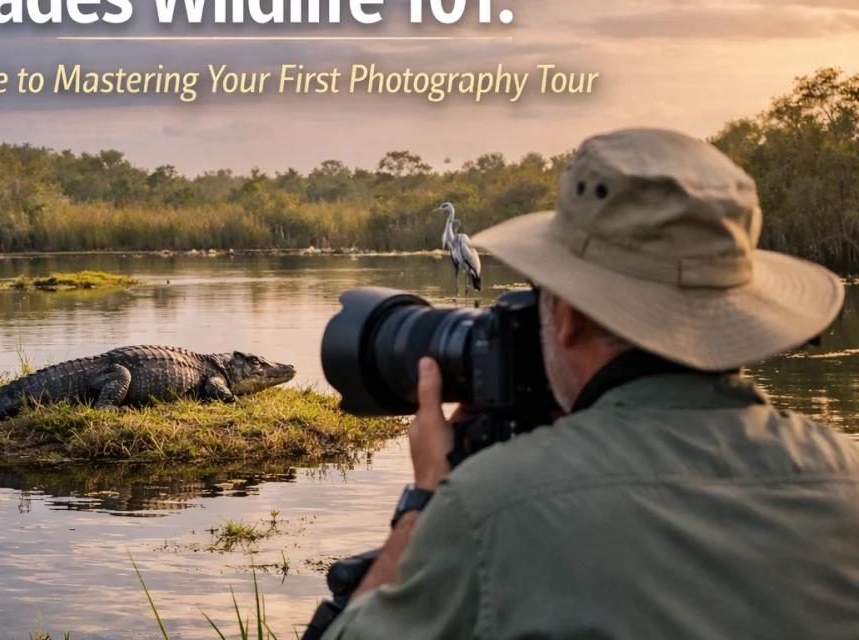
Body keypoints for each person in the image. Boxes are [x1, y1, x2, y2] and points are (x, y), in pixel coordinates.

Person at [321, 128, 859, 639]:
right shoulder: (846, 478)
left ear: (570, 317)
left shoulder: (486, 510)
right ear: (739, 312)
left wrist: (424, 502)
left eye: (541, 297)